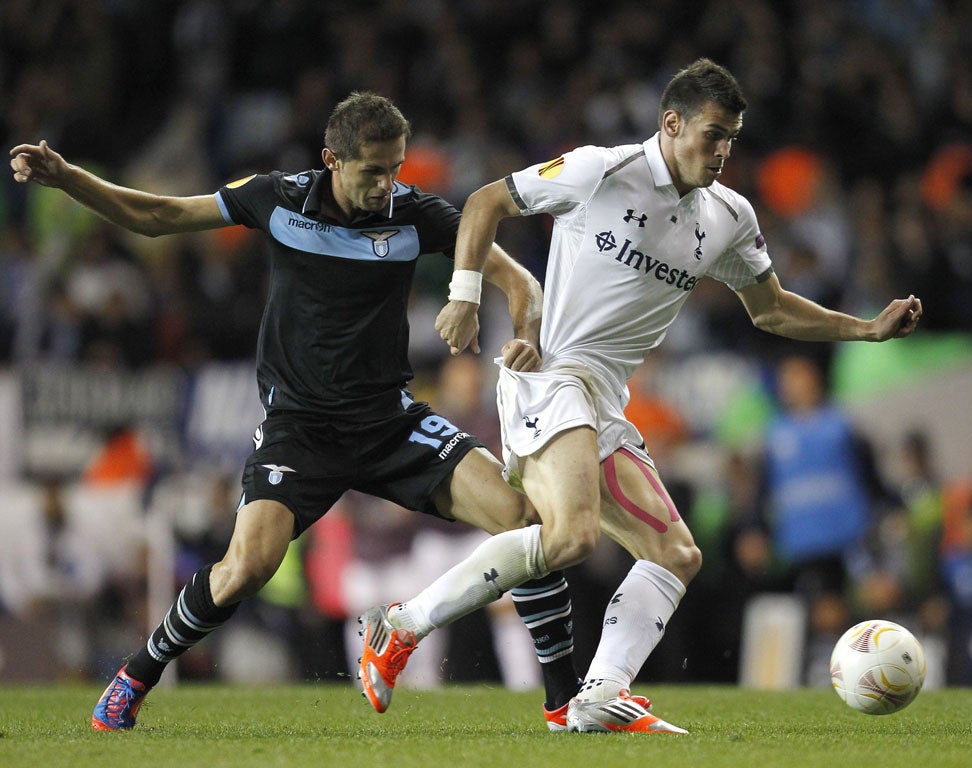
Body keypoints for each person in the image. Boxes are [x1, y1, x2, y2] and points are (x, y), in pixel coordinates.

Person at [358, 58, 923, 734]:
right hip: (551, 373)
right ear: (671, 123)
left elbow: (769, 310)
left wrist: (862, 328)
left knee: (677, 555)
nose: (720, 152)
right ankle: (399, 629)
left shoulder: (728, 217)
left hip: (603, 398)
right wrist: (465, 293)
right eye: (711, 134)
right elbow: (485, 202)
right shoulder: (601, 169)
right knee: (573, 536)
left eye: (732, 140)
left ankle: (600, 693)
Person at [10, 92, 586, 731]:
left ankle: (564, 703)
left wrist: (497, 316)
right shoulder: (277, 198)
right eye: (373, 170)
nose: (386, 185)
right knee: (245, 569)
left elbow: (521, 284)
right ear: (330, 160)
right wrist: (67, 179)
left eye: (396, 169)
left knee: (524, 522)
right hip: (299, 429)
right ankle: (137, 674)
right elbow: (156, 215)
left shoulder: (417, 215)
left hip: (389, 422)